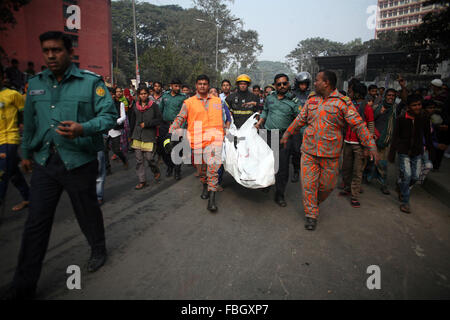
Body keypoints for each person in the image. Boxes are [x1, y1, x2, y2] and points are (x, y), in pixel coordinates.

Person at [4, 31, 117, 300]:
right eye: (46, 51)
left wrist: (84, 128)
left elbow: (109, 115)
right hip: (46, 162)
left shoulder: (90, 83)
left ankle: (98, 248)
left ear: (69, 52)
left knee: (87, 212)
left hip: (79, 161)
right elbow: (30, 121)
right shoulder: (36, 84)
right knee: (35, 223)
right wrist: (27, 152)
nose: (51, 55)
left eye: (57, 50)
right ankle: (23, 286)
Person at [280, 70, 377, 231]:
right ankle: (311, 215)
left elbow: (359, 124)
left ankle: (313, 202)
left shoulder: (343, 102)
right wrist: (288, 133)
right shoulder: (312, 100)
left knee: (327, 186)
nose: (315, 83)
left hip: (330, 155)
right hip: (309, 152)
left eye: (317, 80)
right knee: (308, 185)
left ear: (326, 83)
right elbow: (300, 119)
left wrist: (370, 144)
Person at [168, 75, 225, 212]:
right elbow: (180, 117)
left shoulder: (218, 101)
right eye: (200, 84)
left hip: (214, 140)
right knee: (202, 170)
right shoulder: (189, 102)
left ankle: (212, 200)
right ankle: (205, 186)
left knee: (213, 170)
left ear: (209, 85)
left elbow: (223, 118)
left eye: (205, 84)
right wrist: (172, 131)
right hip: (197, 141)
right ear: (196, 85)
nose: (202, 86)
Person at [255, 74, 300, 207]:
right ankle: (267, 184)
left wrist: (290, 134)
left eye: (284, 83)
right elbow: (265, 111)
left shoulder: (294, 101)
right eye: (279, 84)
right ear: (275, 85)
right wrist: (260, 122)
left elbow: (299, 120)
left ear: (288, 84)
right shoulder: (269, 98)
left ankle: (279, 194)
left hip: (284, 137)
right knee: (266, 163)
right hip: (267, 134)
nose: (282, 86)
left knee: (282, 167)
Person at [389, 94, 434, 213]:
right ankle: (405, 202)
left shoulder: (424, 118)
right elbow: (395, 136)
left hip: (417, 152)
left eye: (419, 104)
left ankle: (400, 186)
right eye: (414, 105)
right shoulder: (401, 118)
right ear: (409, 107)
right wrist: (392, 153)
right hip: (404, 152)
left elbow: (427, 136)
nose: (417, 107)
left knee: (415, 177)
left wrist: (430, 150)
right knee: (408, 176)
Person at [0, 65, 31, 212]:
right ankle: (28, 198)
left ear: (2, 77)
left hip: (9, 140)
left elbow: (26, 117)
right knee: (13, 173)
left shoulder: (12, 95)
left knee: (2, 176)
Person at [340, 83, 375, 208]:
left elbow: (370, 126)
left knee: (357, 170)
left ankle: (354, 196)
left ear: (357, 93)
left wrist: (367, 146)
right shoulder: (349, 105)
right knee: (346, 168)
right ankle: (347, 188)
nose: (349, 93)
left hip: (359, 144)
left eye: (351, 91)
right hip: (348, 142)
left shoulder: (367, 108)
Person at [129, 87, 162, 190]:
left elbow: (159, 119)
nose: (143, 95)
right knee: (139, 160)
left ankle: (155, 170)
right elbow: (132, 121)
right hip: (137, 135)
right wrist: (130, 135)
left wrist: (147, 124)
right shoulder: (135, 106)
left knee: (149, 158)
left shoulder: (154, 106)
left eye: (145, 93)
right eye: (141, 94)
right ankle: (142, 181)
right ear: (138, 95)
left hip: (149, 135)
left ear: (148, 94)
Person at [367, 88, 398, 195]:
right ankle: (367, 177)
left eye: (393, 96)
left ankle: (383, 184)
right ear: (385, 96)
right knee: (370, 161)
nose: (391, 97)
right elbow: (370, 119)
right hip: (374, 139)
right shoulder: (378, 107)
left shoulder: (395, 110)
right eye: (389, 95)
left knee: (383, 164)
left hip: (386, 141)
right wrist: (379, 113)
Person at [158, 79, 187, 180]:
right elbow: (160, 110)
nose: (177, 88)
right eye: (175, 86)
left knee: (177, 149)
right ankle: (169, 166)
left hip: (177, 127)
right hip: (165, 126)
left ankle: (177, 170)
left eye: (179, 86)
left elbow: (185, 114)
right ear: (171, 86)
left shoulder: (183, 98)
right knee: (165, 149)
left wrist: (181, 128)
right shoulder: (165, 96)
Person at [289, 71, 312, 183]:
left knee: (308, 151)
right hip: (296, 126)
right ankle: (296, 171)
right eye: (301, 84)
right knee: (296, 150)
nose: (303, 86)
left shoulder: (312, 95)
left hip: (308, 126)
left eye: (305, 84)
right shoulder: (292, 94)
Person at [104, 87, 128, 171]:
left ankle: (124, 160)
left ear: (113, 95)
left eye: (110, 95)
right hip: (105, 129)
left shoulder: (120, 104)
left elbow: (123, 117)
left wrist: (116, 122)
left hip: (115, 129)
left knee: (116, 149)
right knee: (104, 149)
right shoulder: (103, 104)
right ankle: (107, 168)